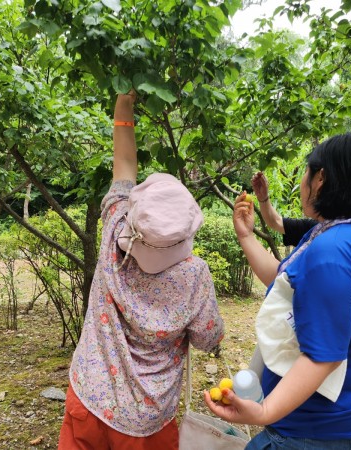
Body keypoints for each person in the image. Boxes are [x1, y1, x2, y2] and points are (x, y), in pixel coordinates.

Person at [205, 132, 351, 449]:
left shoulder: (333, 250)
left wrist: (265, 410)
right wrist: (246, 237)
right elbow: (284, 282)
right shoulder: (348, 234)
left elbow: (324, 357)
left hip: (323, 433)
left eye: (307, 172)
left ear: (320, 178)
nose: (303, 181)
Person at [58, 91, 224, 450]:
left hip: (89, 400)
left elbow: (124, 166)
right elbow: (208, 338)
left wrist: (122, 108)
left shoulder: (115, 231)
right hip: (147, 425)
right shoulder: (195, 274)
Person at [251, 171, 316, 247]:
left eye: (307, 173)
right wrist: (263, 197)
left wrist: (245, 236)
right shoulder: (314, 228)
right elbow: (275, 221)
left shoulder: (322, 234)